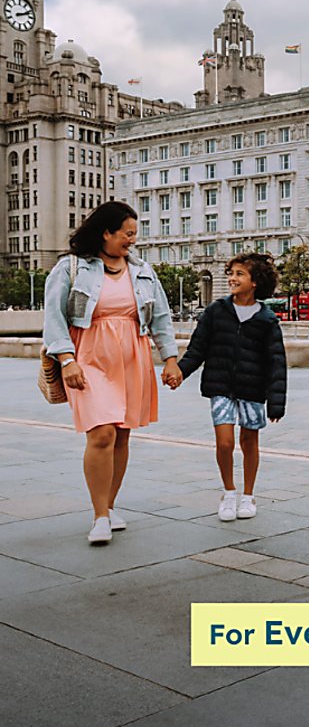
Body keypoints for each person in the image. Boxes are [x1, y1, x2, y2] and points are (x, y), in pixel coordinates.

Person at [43, 202, 181, 545]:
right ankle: (99, 516)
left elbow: (160, 317)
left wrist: (171, 358)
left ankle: (110, 504)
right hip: (89, 355)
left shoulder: (142, 270)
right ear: (106, 233)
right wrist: (66, 359)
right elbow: (54, 318)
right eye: (128, 234)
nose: (132, 240)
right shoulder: (70, 268)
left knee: (121, 435)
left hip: (132, 356)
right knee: (101, 433)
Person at [172, 252, 286, 521]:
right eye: (231, 273)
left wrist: (276, 401)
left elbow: (277, 363)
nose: (232, 279)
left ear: (255, 281)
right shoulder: (216, 311)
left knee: (249, 441)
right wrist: (179, 372)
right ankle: (229, 492)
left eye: (239, 274)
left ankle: (248, 495)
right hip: (220, 385)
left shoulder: (267, 319)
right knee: (224, 442)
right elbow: (196, 349)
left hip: (253, 389)